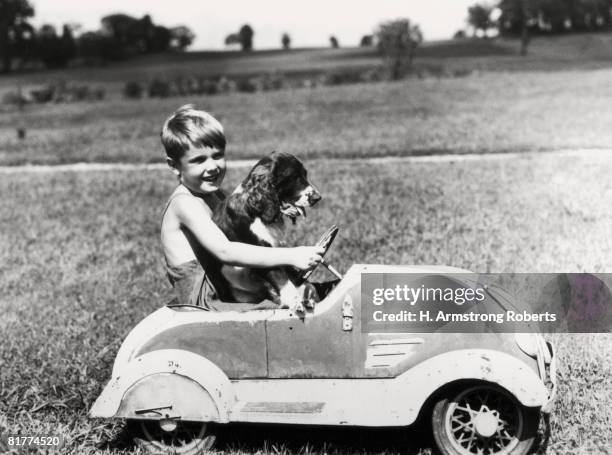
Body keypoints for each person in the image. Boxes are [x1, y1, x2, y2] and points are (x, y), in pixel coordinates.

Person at [160, 104, 324, 310]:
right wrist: (293, 255)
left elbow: (245, 231)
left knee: (324, 293)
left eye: (217, 155)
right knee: (312, 304)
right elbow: (226, 251)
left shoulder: (215, 195)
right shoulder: (184, 203)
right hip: (207, 302)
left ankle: (370, 304)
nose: (212, 166)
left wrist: (278, 208)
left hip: (232, 287)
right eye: (199, 160)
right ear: (174, 166)